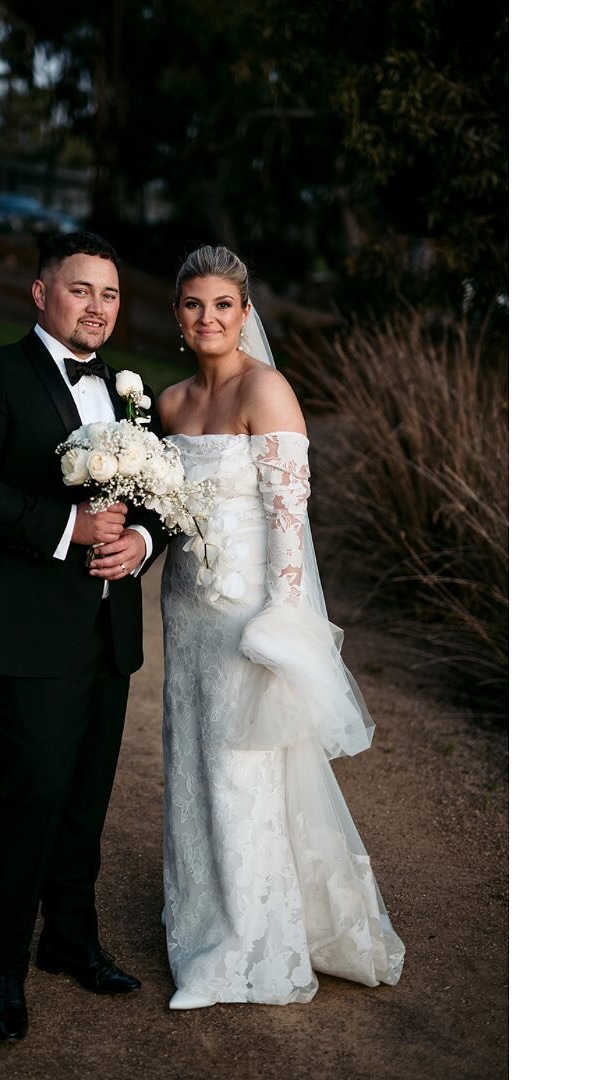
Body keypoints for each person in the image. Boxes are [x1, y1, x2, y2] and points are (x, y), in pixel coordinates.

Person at [0, 231, 169, 1041]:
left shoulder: (130, 393)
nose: (96, 307)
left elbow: (161, 495)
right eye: (79, 290)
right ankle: (2, 970)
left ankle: (70, 940)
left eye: (108, 293)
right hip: (20, 633)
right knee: (33, 798)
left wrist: (142, 543)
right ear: (41, 294)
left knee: (85, 797)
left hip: (106, 631)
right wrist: (66, 526)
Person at [156, 245, 405, 1009]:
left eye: (223, 305)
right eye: (194, 304)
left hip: (245, 620)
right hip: (185, 613)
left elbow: (287, 516)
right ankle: (197, 929)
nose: (208, 318)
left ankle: (242, 950)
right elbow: (164, 510)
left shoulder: (267, 391)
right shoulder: (168, 404)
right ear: (178, 315)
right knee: (190, 772)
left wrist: (280, 616)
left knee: (239, 776)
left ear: (245, 314)